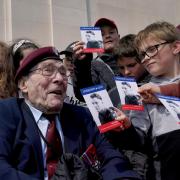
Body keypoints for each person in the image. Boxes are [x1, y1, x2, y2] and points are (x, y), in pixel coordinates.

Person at [0, 46, 141, 180]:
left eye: (63, 72)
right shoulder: (6, 113)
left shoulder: (82, 116)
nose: (60, 79)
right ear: (23, 84)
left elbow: (108, 155)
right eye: (48, 71)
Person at [130, 21, 180, 180]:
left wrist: (162, 93)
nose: (145, 58)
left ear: (176, 47)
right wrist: (122, 130)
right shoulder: (142, 93)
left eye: (152, 49)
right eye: (142, 54)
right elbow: (136, 140)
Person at [109, 34, 151, 107]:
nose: (126, 72)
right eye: (121, 67)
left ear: (143, 60)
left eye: (131, 65)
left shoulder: (159, 87)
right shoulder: (113, 94)